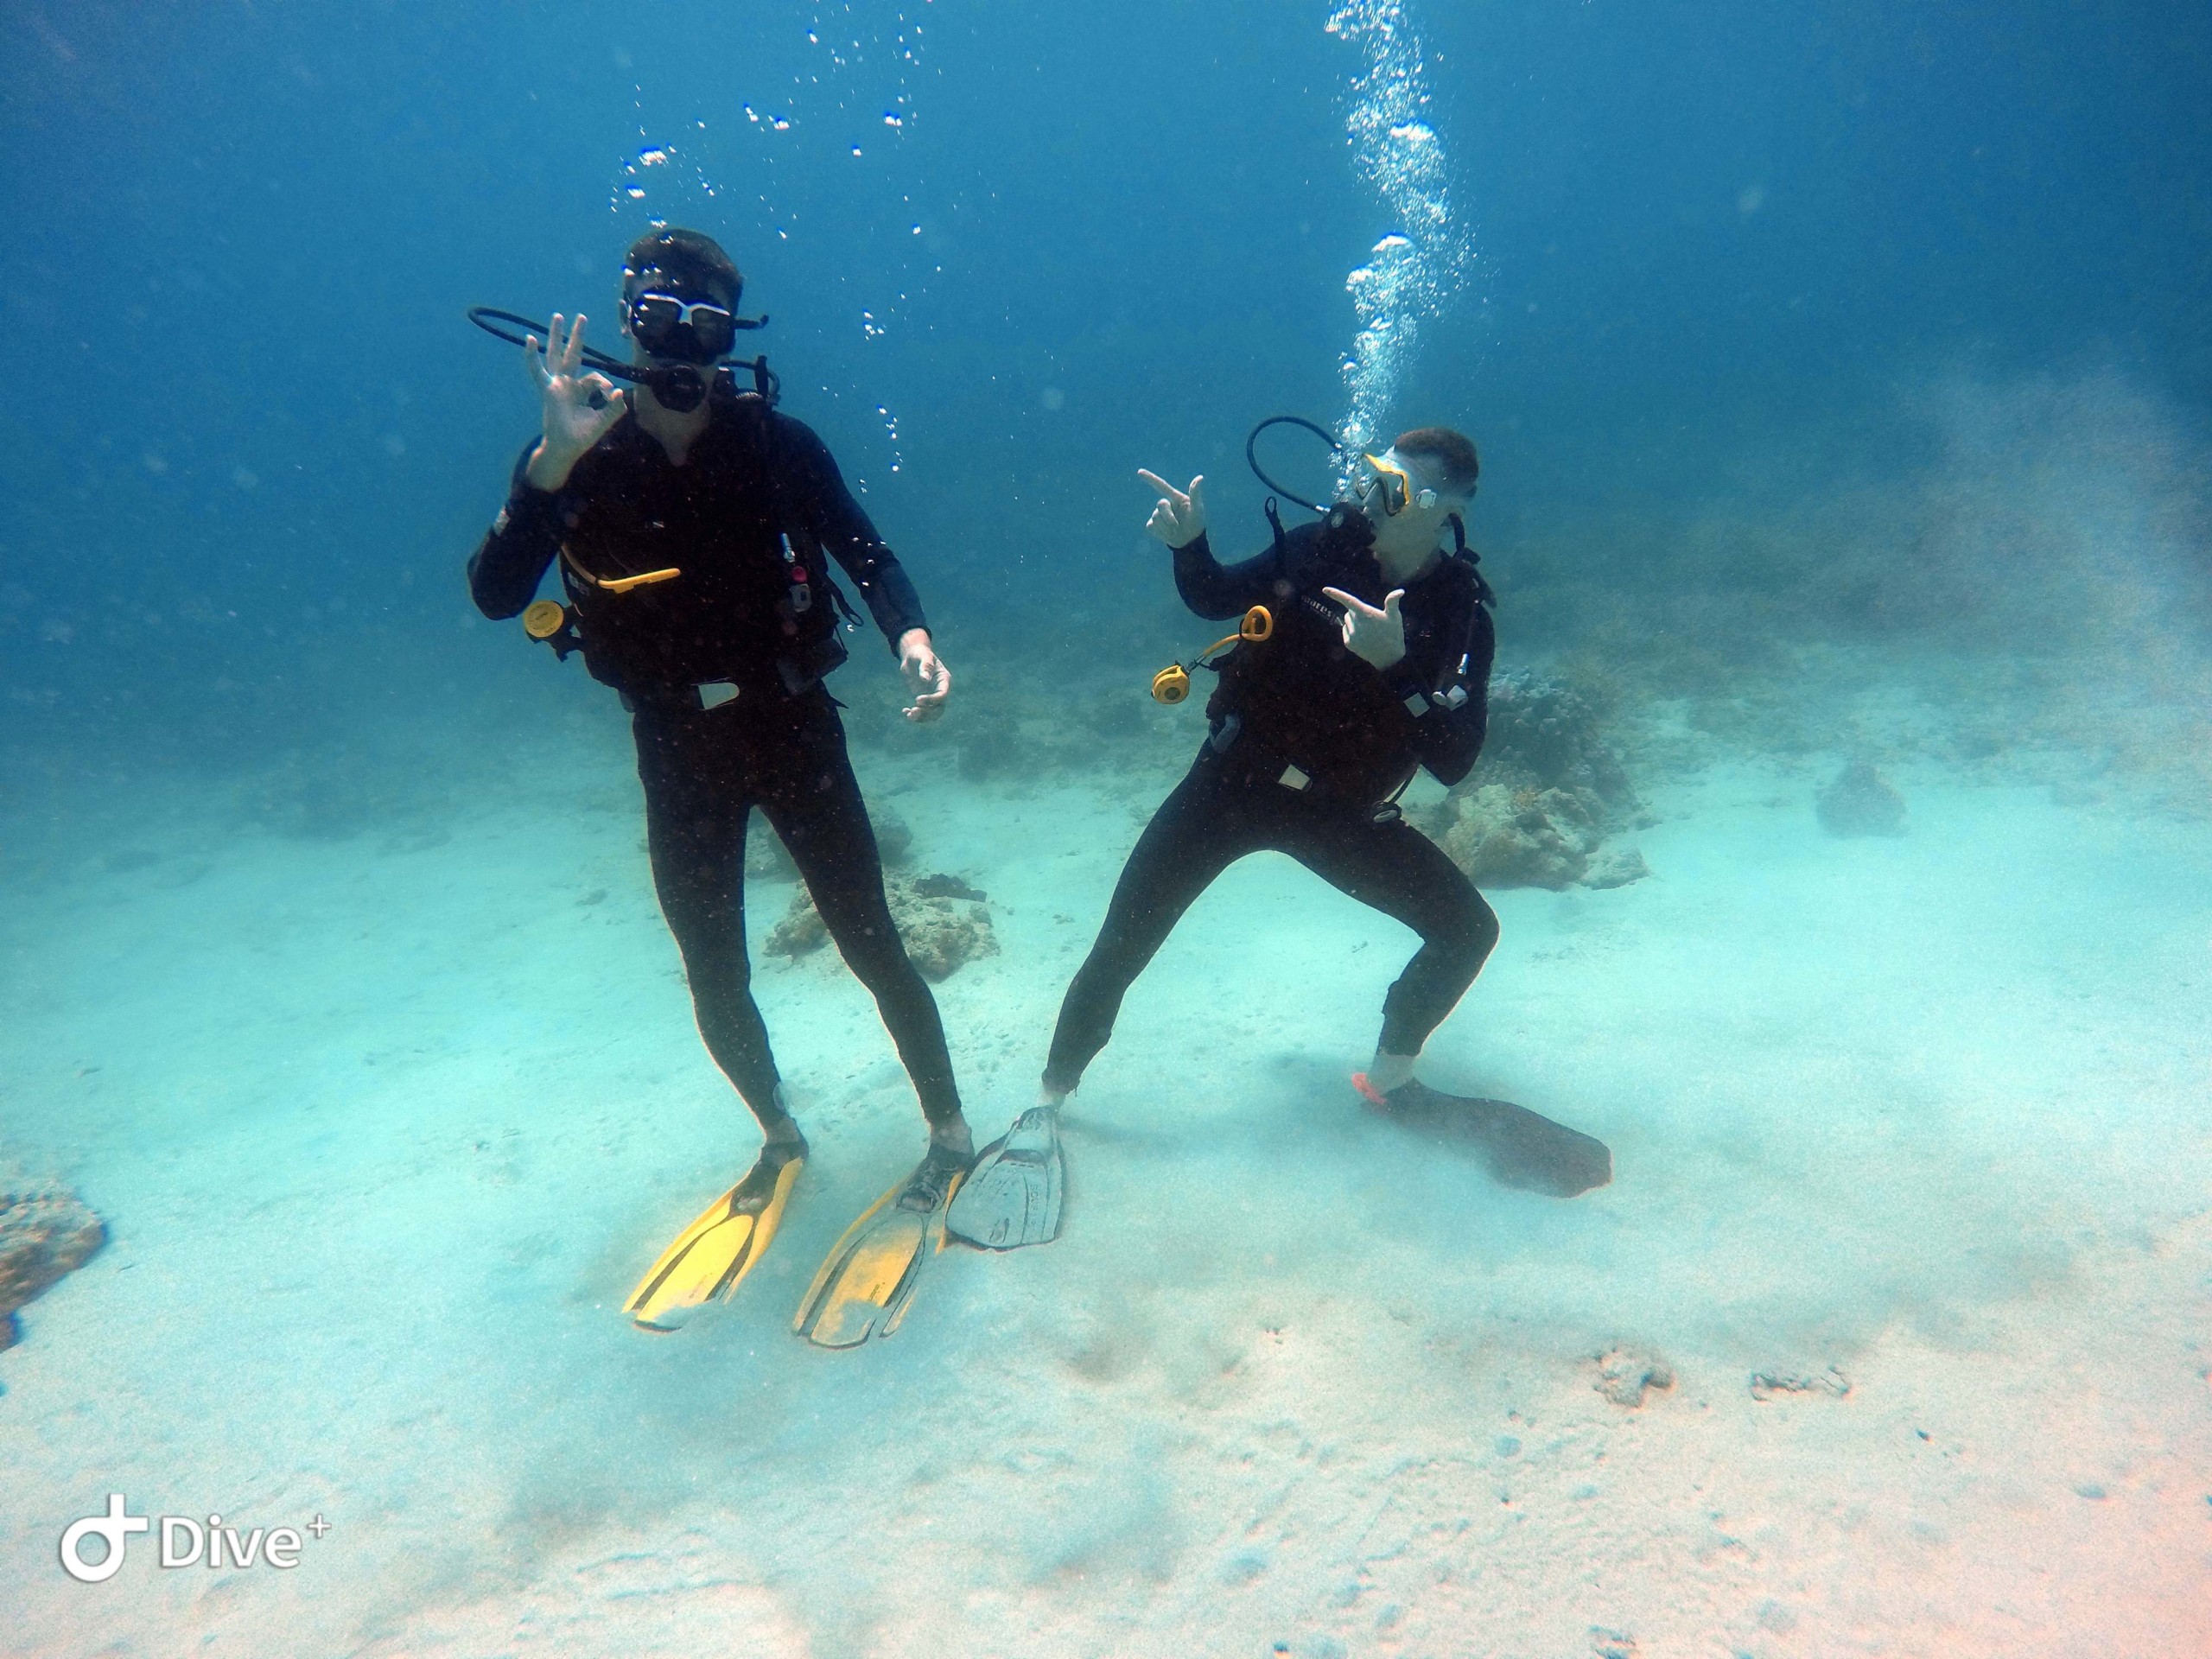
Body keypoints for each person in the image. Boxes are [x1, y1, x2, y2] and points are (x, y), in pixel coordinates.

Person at [467, 227, 972, 1347]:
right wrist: (548, 464)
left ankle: (947, 1134)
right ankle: (781, 1137)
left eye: (704, 325)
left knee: (870, 937)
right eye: (661, 320)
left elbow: (867, 554)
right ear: (627, 323)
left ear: (730, 337)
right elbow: (497, 593)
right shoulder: (576, 451)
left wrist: (914, 638)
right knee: (712, 961)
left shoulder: (778, 442)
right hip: (674, 749)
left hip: (793, 723)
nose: (682, 345)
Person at [950, 429, 1501, 1249]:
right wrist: (1188, 544)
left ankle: (1391, 1077)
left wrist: (1401, 670)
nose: (1368, 499)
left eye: (1396, 490)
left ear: (1445, 511)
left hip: (1339, 812)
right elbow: (1214, 594)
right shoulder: (1324, 548)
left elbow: (1455, 761)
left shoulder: (1459, 611)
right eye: (1373, 477)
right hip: (1231, 784)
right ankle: (1050, 1101)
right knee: (1122, 942)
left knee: (1467, 930)